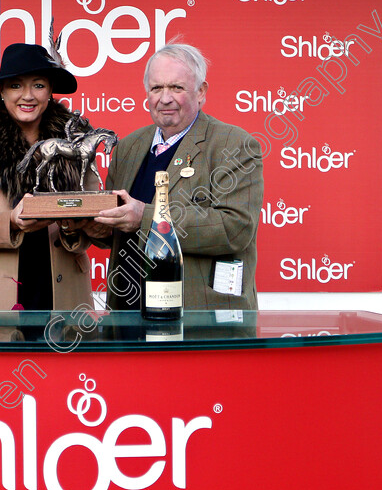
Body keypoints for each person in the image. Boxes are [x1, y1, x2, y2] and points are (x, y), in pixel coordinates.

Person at [95, 43, 264, 310]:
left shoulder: (234, 144)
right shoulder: (128, 148)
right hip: (128, 314)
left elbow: (235, 228)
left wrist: (145, 216)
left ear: (201, 92)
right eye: (156, 88)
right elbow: (112, 232)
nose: (165, 98)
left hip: (199, 320)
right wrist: (82, 220)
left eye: (177, 87)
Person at [0, 43, 98, 311]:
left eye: (38, 85)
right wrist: (11, 222)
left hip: (63, 290)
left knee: (62, 351)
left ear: (50, 91)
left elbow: (94, 220)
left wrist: (73, 225)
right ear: (2, 91)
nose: (28, 96)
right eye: (16, 86)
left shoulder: (76, 141)